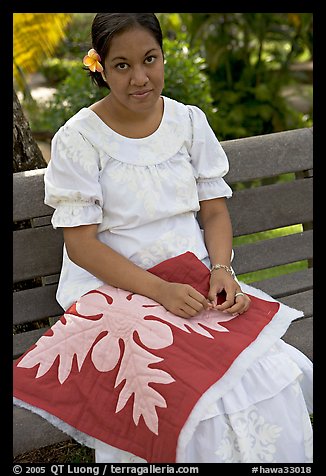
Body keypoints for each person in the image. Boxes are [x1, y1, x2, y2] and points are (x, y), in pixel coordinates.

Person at [13, 13, 313, 463]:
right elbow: (82, 246)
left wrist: (222, 269)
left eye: (149, 59)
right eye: (121, 65)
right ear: (100, 66)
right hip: (114, 288)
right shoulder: (80, 139)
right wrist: (160, 292)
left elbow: (213, 210)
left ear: (163, 57)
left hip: (193, 275)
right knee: (189, 402)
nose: (140, 78)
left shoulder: (188, 122)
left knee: (271, 376)